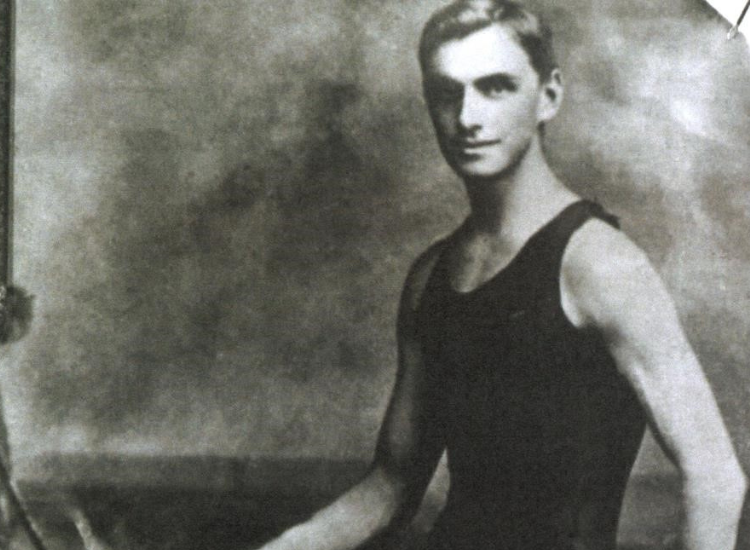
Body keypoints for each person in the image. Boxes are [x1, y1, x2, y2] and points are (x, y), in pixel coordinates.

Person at [256, 1, 747, 549]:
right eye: (448, 92)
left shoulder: (601, 265)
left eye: (495, 87)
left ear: (548, 96)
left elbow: (716, 479)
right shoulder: (430, 277)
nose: (467, 117)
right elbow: (392, 484)